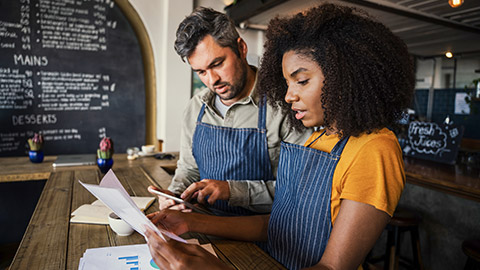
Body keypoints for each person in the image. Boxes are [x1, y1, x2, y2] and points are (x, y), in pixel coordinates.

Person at [145, 3, 415, 270]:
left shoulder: (376, 149)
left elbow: (333, 267)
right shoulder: (318, 140)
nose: (288, 96)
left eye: (302, 81)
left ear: (344, 75)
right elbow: (277, 225)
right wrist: (191, 222)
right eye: (287, 83)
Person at [148, 7, 311, 216]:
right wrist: (174, 195)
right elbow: (189, 170)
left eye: (217, 64)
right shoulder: (196, 108)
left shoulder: (286, 105)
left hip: (266, 237)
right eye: (201, 72)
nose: (212, 80)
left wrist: (233, 190)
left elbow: (299, 190)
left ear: (241, 48)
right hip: (205, 228)